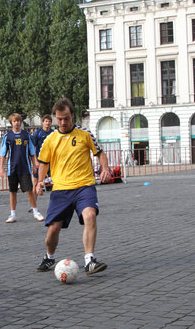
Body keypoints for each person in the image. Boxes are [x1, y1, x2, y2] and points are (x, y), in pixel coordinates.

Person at [35, 98, 111, 275]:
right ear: (55, 117)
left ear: (72, 116)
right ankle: (49, 256)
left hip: (85, 185)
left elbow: (100, 153)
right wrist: (40, 181)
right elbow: (43, 163)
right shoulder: (50, 140)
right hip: (61, 189)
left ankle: (89, 260)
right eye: (59, 119)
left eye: (66, 118)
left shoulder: (85, 134)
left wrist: (105, 168)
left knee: (90, 215)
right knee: (53, 230)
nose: (62, 122)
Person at [0, 113, 44, 223]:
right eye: (14, 121)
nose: (16, 123)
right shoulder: (7, 136)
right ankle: (13, 214)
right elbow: (3, 154)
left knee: (29, 190)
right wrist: (1, 168)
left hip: (25, 168)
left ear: (21, 122)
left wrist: (35, 164)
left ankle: (35, 212)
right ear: (11, 123)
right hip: (12, 168)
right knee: (12, 192)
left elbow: (32, 152)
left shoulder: (26, 135)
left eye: (18, 121)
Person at [31, 114, 53, 204]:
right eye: (46, 121)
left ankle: (57, 203)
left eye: (49, 121)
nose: (47, 123)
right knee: (36, 182)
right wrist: (35, 161)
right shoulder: (38, 133)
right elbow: (33, 147)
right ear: (43, 122)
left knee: (55, 182)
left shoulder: (53, 133)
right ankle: (33, 205)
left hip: (51, 162)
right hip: (40, 161)